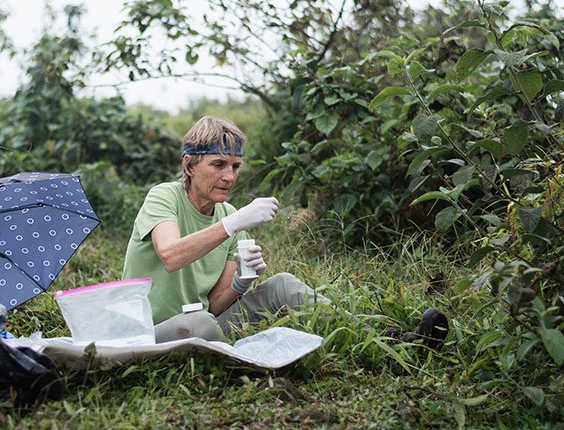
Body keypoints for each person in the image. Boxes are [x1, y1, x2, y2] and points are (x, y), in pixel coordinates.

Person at [121, 116, 448, 347]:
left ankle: (388, 341)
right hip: (151, 332)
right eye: (218, 164)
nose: (229, 177)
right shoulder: (165, 196)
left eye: (235, 166)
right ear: (190, 166)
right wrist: (232, 224)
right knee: (201, 325)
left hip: (203, 326)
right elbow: (170, 255)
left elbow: (215, 306)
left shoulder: (229, 214)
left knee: (283, 285)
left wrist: (240, 283)